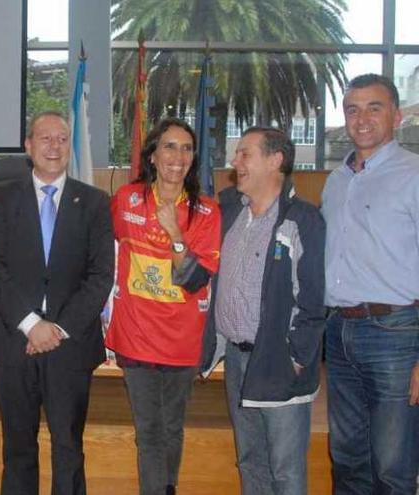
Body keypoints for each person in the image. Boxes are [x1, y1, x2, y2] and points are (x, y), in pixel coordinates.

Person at [0, 111, 114, 495]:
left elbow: (100, 275)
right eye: (44, 138)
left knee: (69, 449)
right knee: (17, 449)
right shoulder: (2, 199)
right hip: (14, 342)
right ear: (28, 146)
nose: (54, 146)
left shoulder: (93, 202)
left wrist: (56, 328)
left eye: (61, 138)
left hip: (70, 345)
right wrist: (30, 323)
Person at [202, 127, 325, 494]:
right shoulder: (229, 214)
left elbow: (314, 296)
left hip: (279, 362)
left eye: (244, 154)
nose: (235, 162)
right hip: (238, 362)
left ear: (276, 161)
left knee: (285, 470)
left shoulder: (302, 220)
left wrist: (297, 356)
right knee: (251, 460)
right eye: (236, 154)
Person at [105, 118, 221, 495]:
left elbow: (194, 279)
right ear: (152, 155)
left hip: (181, 342)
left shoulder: (206, 212)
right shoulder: (126, 200)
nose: (178, 156)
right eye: (169, 147)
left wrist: (174, 233)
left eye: (186, 148)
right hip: (136, 338)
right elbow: (106, 255)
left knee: (172, 427)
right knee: (150, 431)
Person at [321, 73, 419, 494]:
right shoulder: (335, 181)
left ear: (396, 116)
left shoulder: (414, 175)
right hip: (339, 332)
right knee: (347, 459)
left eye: (374, 107)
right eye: (353, 109)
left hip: (396, 335)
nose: (362, 119)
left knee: (393, 467)